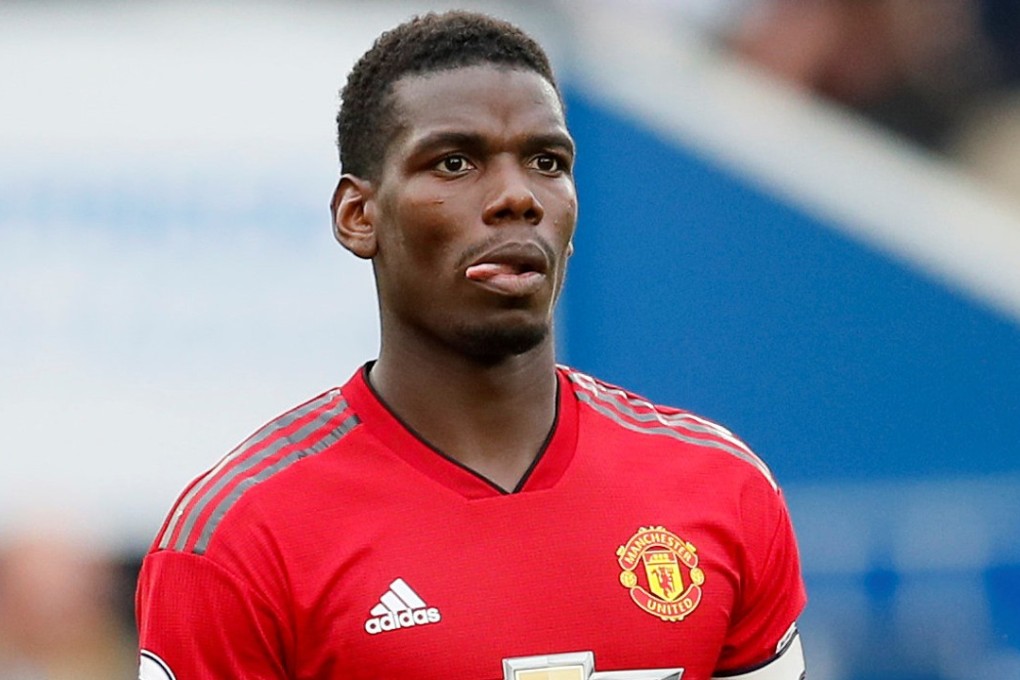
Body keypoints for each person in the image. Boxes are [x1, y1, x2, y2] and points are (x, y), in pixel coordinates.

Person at [135, 10, 807, 680]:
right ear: (358, 215)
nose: (517, 196)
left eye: (547, 162)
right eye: (455, 163)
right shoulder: (238, 541)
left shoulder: (721, 490)